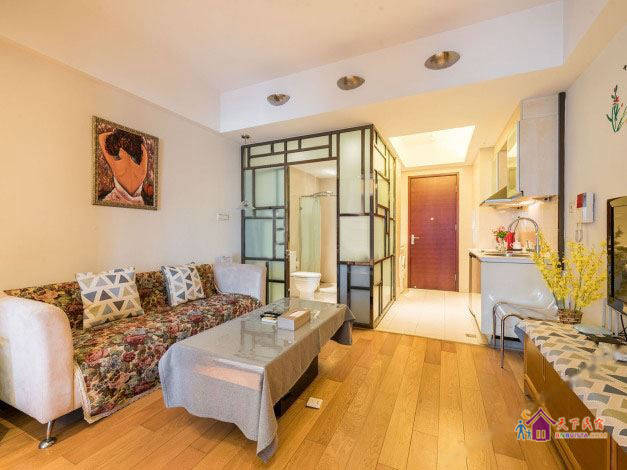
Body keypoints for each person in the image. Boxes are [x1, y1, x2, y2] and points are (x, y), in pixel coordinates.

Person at [98, 129, 148, 206]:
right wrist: (127, 137)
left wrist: (119, 136)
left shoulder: (116, 167)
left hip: (114, 201)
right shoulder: (142, 169)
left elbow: (101, 137)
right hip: (138, 204)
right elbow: (142, 149)